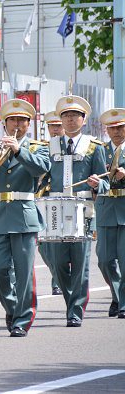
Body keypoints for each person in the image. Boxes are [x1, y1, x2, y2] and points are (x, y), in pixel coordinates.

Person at [0, 99, 50, 337]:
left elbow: (41, 168)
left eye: (22, 120)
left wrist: (19, 150)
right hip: (0, 214)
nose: (17, 124)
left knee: (24, 272)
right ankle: (13, 307)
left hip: (24, 214)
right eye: (12, 120)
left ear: (28, 125)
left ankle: (23, 318)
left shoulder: (37, 147)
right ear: (4, 124)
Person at [48, 95, 108, 327]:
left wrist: (96, 184)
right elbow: (43, 178)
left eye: (75, 116)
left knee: (80, 262)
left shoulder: (94, 146)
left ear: (84, 120)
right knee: (58, 263)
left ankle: (75, 310)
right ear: (60, 120)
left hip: (83, 210)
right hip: (55, 211)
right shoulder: (51, 145)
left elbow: (105, 183)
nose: (70, 119)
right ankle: (70, 299)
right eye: (66, 116)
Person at [95, 108, 125, 318]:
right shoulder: (99, 150)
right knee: (104, 260)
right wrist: (94, 183)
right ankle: (117, 295)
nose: (117, 132)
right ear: (106, 130)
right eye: (113, 128)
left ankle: (123, 304)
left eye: (121, 127)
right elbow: (93, 174)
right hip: (106, 209)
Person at [38, 111, 66, 296]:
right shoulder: (41, 148)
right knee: (44, 245)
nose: (55, 130)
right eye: (52, 126)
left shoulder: (71, 148)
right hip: (44, 200)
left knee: (62, 242)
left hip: (65, 201)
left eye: (58, 126)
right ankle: (58, 274)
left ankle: (58, 279)